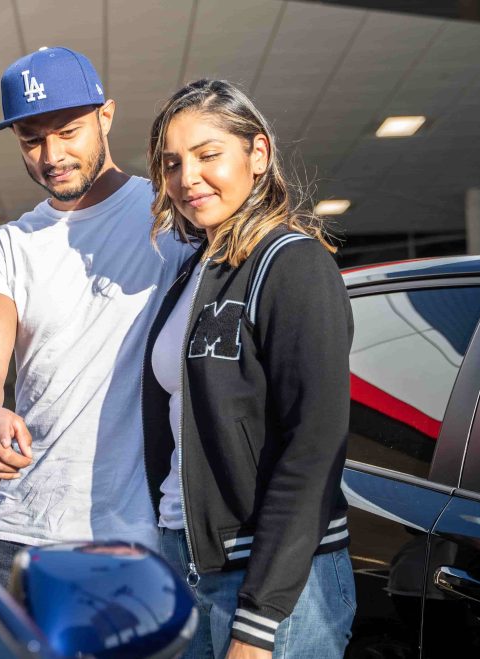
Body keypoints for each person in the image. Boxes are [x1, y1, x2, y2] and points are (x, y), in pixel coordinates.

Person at [0, 47, 193, 587]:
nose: (51, 154)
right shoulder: (5, 248)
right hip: (26, 527)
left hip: (148, 534)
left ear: (105, 116)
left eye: (68, 131)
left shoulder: (172, 215)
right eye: (31, 138)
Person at [141, 79, 355, 658]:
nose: (188, 178)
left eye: (209, 155)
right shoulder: (193, 274)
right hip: (185, 560)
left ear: (257, 154)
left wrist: (259, 621)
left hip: (275, 583)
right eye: (173, 163)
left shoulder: (294, 265)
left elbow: (313, 445)